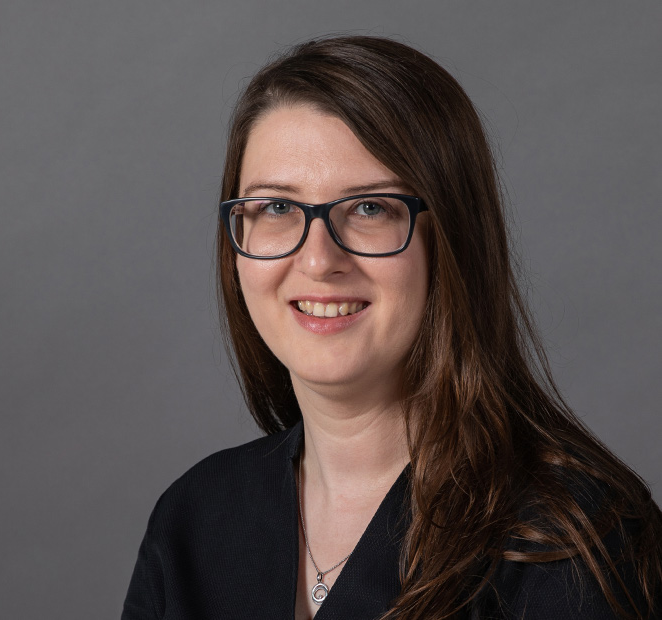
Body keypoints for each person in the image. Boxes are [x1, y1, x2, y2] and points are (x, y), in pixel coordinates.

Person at [122, 36, 662, 619]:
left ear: (453, 238)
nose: (318, 260)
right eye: (276, 207)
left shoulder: (574, 539)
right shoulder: (195, 519)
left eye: (370, 208)